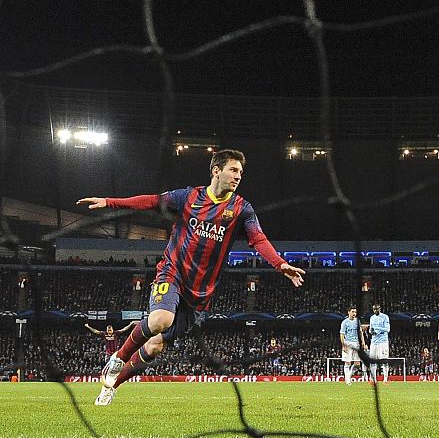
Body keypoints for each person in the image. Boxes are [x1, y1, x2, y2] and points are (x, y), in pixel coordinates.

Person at [77, 149, 305, 406]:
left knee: (154, 347)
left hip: (201, 293)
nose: (238, 176)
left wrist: (280, 264)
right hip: (172, 271)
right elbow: (152, 201)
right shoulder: (189, 197)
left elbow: (258, 239)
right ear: (216, 171)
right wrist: (110, 202)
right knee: (161, 319)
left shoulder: (241, 209)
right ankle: (118, 358)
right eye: (233, 169)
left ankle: (111, 386)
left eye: (241, 172)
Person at [340, 305, 367, 385]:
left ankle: (348, 377)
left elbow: (360, 332)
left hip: (356, 343)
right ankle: (348, 380)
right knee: (347, 363)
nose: (354, 313)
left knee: (357, 364)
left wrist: (363, 343)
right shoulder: (345, 322)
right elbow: (342, 334)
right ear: (348, 312)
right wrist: (343, 345)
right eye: (353, 312)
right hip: (348, 343)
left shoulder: (357, 321)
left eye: (355, 312)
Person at [367, 303, 391, 383]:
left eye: (377, 309)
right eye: (374, 309)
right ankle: (374, 379)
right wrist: (371, 331)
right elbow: (370, 329)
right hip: (374, 342)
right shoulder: (372, 318)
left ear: (380, 309)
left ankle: (385, 379)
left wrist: (377, 328)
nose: (375, 310)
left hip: (383, 342)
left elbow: (387, 329)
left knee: (384, 360)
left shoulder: (385, 317)